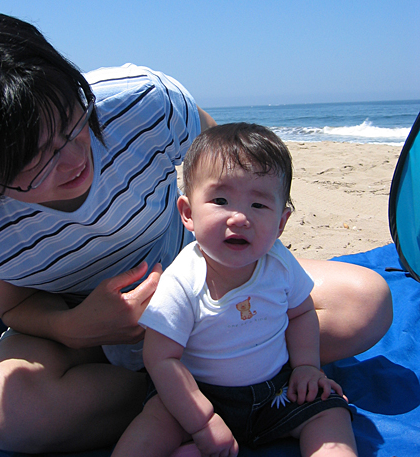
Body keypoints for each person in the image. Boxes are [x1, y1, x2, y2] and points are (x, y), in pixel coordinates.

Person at [0, 9, 390, 453]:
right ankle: (180, 397)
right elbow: (14, 304)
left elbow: (219, 164)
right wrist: (74, 326)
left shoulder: (139, 103)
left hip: (213, 306)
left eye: (74, 123)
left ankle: (204, 389)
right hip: (92, 340)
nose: (76, 157)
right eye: (37, 159)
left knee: (365, 302)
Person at [112, 123, 358, 457]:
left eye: (259, 206)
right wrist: (202, 422)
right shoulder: (183, 279)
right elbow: (160, 358)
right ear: (188, 214)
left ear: (281, 224)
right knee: (154, 424)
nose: (240, 217)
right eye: (221, 200)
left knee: (330, 412)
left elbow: (301, 313)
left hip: (276, 390)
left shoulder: (280, 263)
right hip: (195, 395)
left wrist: (306, 367)